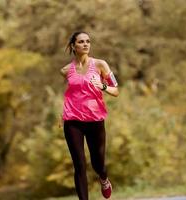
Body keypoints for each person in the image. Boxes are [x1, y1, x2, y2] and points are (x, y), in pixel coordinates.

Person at [60, 31, 119, 200]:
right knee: (79, 165)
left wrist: (103, 86)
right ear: (73, 46)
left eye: (88, 41)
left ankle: (103, 177)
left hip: (95, 119)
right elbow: (71, 92)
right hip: (72, 121)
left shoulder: (101, 65)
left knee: (98, 162)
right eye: (81, 42)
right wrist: (62, 112)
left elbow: (116, 91)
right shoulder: (65, 70)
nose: (85, 44)